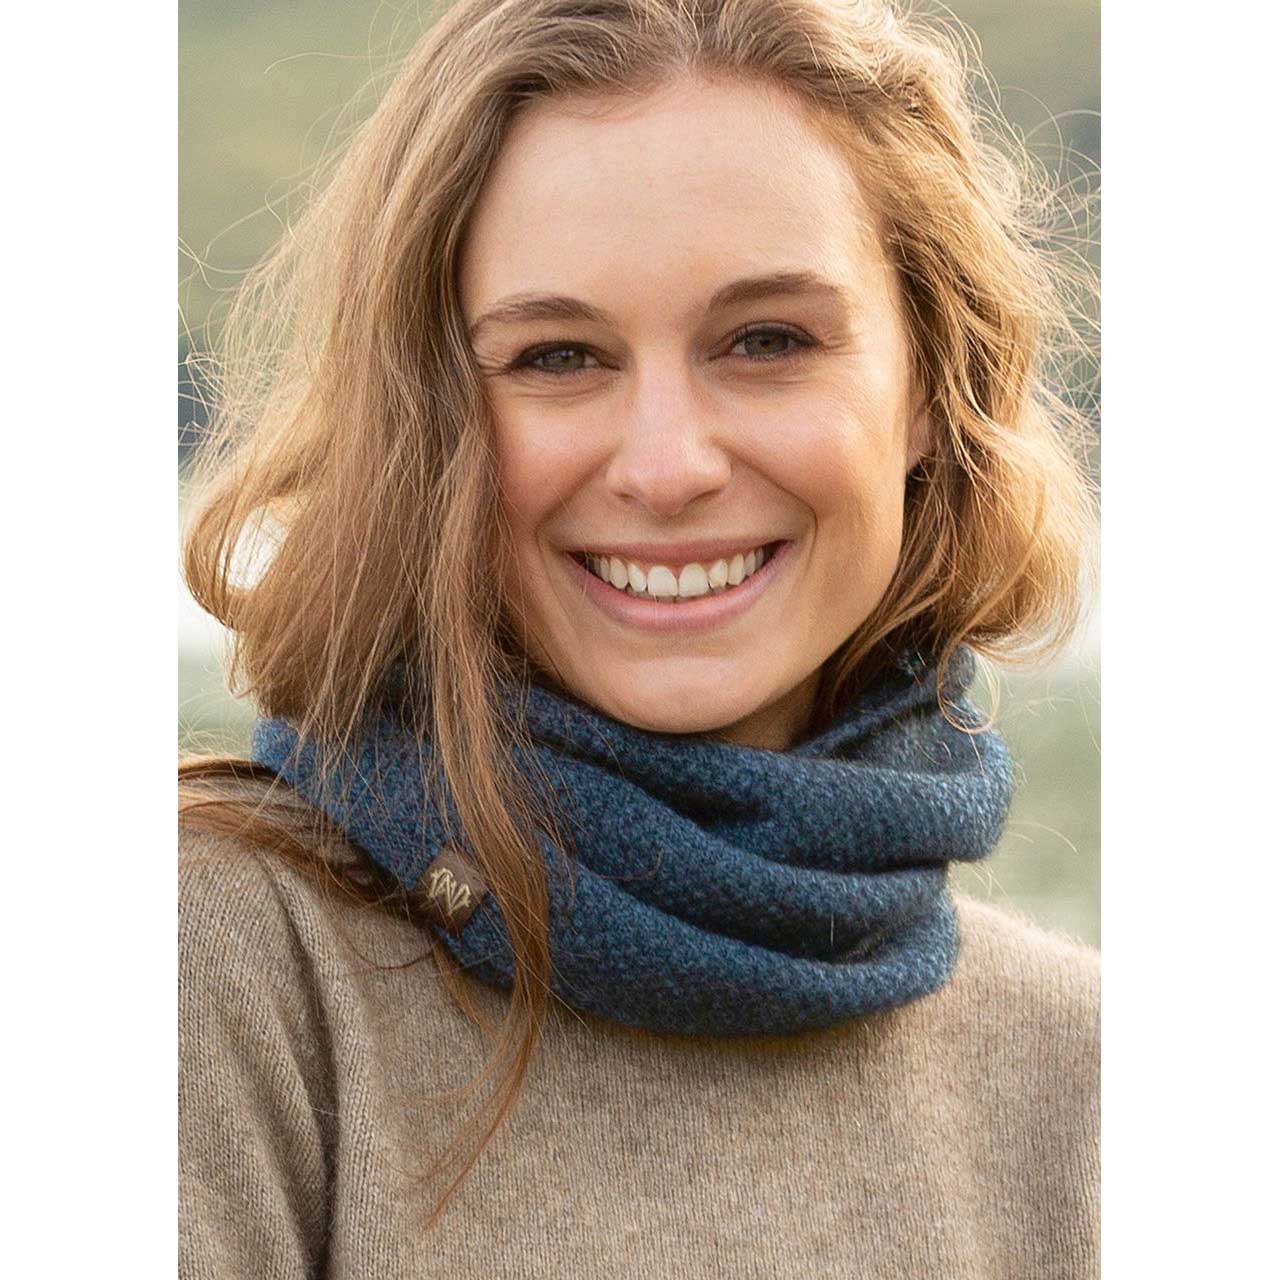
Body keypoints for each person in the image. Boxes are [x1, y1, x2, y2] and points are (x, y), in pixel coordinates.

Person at [179, 0, 1099, 1275]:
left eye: (767, 340)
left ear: (931, 389)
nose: (666, 467)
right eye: (557, 355)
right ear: (423, 421)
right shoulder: (210, 960)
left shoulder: (1089, 1078)